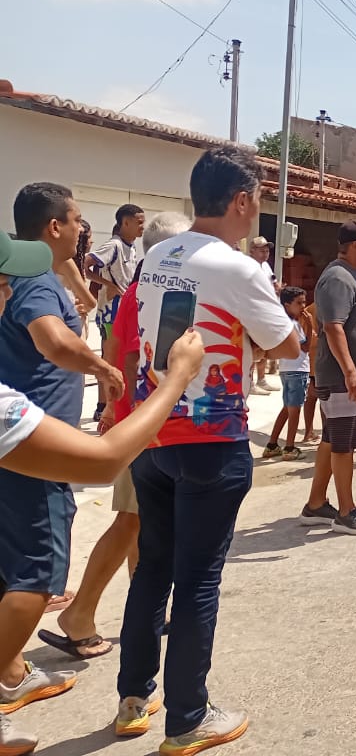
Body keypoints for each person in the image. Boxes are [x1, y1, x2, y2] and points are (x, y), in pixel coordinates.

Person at [116, 146, 299, 753]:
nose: (258, 215)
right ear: (241, 201)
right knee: (198, 581)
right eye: (258, 203)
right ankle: (189, 716)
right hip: (211, 441)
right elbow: (289, 345)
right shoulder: (238, 268)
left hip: (154, 432)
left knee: (152, 571)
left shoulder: (157, 255)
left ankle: (134, 699)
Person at [0, 228, 207, 756]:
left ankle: (19, 666)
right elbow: (104, 457)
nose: (8, 293)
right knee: (36, 574)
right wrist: (175, 381)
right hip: (99, 442)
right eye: (3, 282)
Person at [37, 212, 192, 663]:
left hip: (136, 419)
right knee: (130, 520)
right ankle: (79, 615)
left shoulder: (136, 292)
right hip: (146, 425)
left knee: (139, 520)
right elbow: (136, 359)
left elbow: (118, 353)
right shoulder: (161, 293)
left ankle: (146, 607)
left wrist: (113, 406)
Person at [0, 182, 126, 716]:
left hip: (21, 441)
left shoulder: (35, 273)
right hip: (35, 444)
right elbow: (51, 339)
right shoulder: (34, 282)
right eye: (76, 222)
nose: (81, 231)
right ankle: (4, 678)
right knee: (37, 571)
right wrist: (99, 365)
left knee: (12, 567)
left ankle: (10, 669)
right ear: (54, 227)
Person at [302, 220, 356, 536]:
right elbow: (333, 328)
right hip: (342, 378)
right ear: (353, 246)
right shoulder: (337, 278)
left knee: (332, 439)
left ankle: (315, 504)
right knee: (344, 444)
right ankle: (346, 511)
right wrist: (351, 372)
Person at [86, 204, 145, 420]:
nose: (143, 227)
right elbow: (86, 263)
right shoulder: (114, 245)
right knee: (110, 360)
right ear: (125, 222)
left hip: (123, 310)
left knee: (118, 359)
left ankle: (107, 404)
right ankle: (104, 407)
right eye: (139, 222)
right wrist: (106, 283)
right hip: (112, 312)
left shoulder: (131, 246)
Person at [262, 287, 312, 461]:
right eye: (299, 303)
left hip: (286, 369)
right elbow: (305, 347)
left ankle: (272, 444)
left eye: (304, 302)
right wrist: (310, 324)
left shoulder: (285, 323)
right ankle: (289, 447)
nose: (303, 307)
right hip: (298, 370)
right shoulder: (294, 324)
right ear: (287, 305)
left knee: (287, 407)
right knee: (294, 410)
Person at [247, 236, 281, 395]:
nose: (266, 253)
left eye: (267, 250)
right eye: (262, 250)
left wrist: (277, 288)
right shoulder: (247, 266)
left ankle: (261, 380)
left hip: (266, 311)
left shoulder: (266, 266)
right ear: (252, 251)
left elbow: (272, 282)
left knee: (264, 348)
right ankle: (250, 383)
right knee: (252, 350)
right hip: (253, 311)